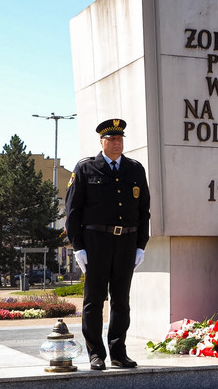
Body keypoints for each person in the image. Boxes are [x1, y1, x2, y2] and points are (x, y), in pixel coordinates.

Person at [65, 118, 151, 370]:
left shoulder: (135, 169)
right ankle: (96, 353)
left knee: (121, 300)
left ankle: (118, 352)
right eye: (112, 139)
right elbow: (72, 211)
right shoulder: (86, 168)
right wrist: (78, 247)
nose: (117, 143)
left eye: (120, 139)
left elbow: (144, 210)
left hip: (126, 242)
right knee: (94, 300)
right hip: (96, 242)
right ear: (101, 141)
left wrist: (140, 245)